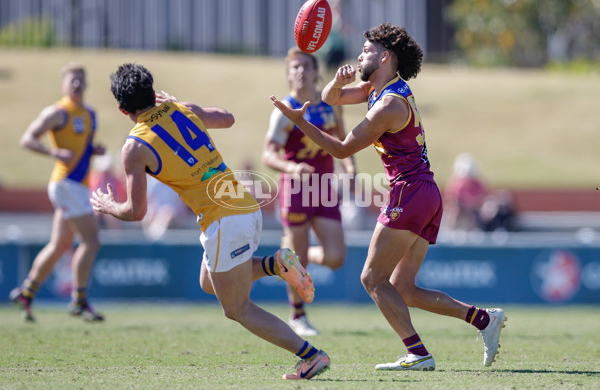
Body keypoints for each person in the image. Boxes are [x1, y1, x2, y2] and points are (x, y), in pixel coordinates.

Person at [271, 23, 507, 371]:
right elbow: (330, 99)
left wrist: (298, 121)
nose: (360, 54)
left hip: (409, 193)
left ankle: (417, 352)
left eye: (366, 50)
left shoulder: (388, 105)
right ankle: (483, 319)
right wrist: (337, 82)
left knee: (371, 278)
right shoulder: (379, 89)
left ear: (384, 56)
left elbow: (340, 149)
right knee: (404, 288)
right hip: (424, 193)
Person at [91, 63, 330, 380]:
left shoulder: (134, 148)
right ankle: (275, 264)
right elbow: (228, 118)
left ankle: (311, 356)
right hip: (243, 206)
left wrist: (109, 206)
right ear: (152, 91)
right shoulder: (181, 108)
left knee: (236, 308)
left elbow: (136, 212)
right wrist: (179, 105)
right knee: (208, 282)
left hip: (224, 221)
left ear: (123, 110)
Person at [263, 47, 356, 336]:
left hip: (325, 188)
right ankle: (297, 316)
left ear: (317, 72)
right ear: (289, 75)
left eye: (306, 66)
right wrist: (292, 169)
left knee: (335, 257)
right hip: (296, 189)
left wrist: (350, 168)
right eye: (295, 67)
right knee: (297, 260)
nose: (301, 71)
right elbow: (268, 155)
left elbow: (344, 140)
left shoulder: (332, 104)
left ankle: (297, 254)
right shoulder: (284, 111)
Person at [11, 62, 105, 322]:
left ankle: (26, 293)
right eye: (71, 80)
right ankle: (79, 300)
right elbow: (27, 139)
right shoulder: (57, 112)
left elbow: (81, 147)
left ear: (86, 84)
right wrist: (53, 152)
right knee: (92, 241)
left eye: (80, 80)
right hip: (66, 183)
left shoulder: (90, 114)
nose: (76, 84)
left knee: (60, 244)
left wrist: (93, 151)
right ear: (63, 85)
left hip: (76, 185)